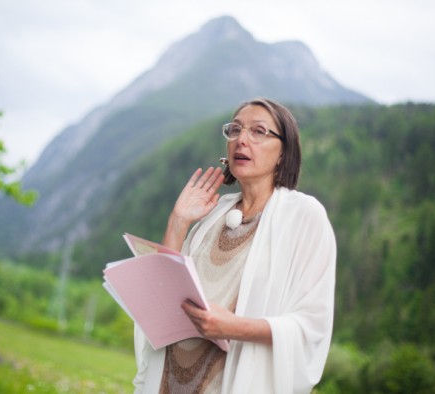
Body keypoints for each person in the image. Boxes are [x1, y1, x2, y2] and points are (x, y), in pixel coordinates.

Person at [133, 98, 336, 393]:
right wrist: (178, 222)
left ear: (283, 153)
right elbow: (161, 297)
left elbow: (312, 325)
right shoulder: (214, 212)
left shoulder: (304, 215)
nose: (242, 139)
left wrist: (232, 327)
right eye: (236, 129)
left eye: (258, 132)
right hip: (170, 380)